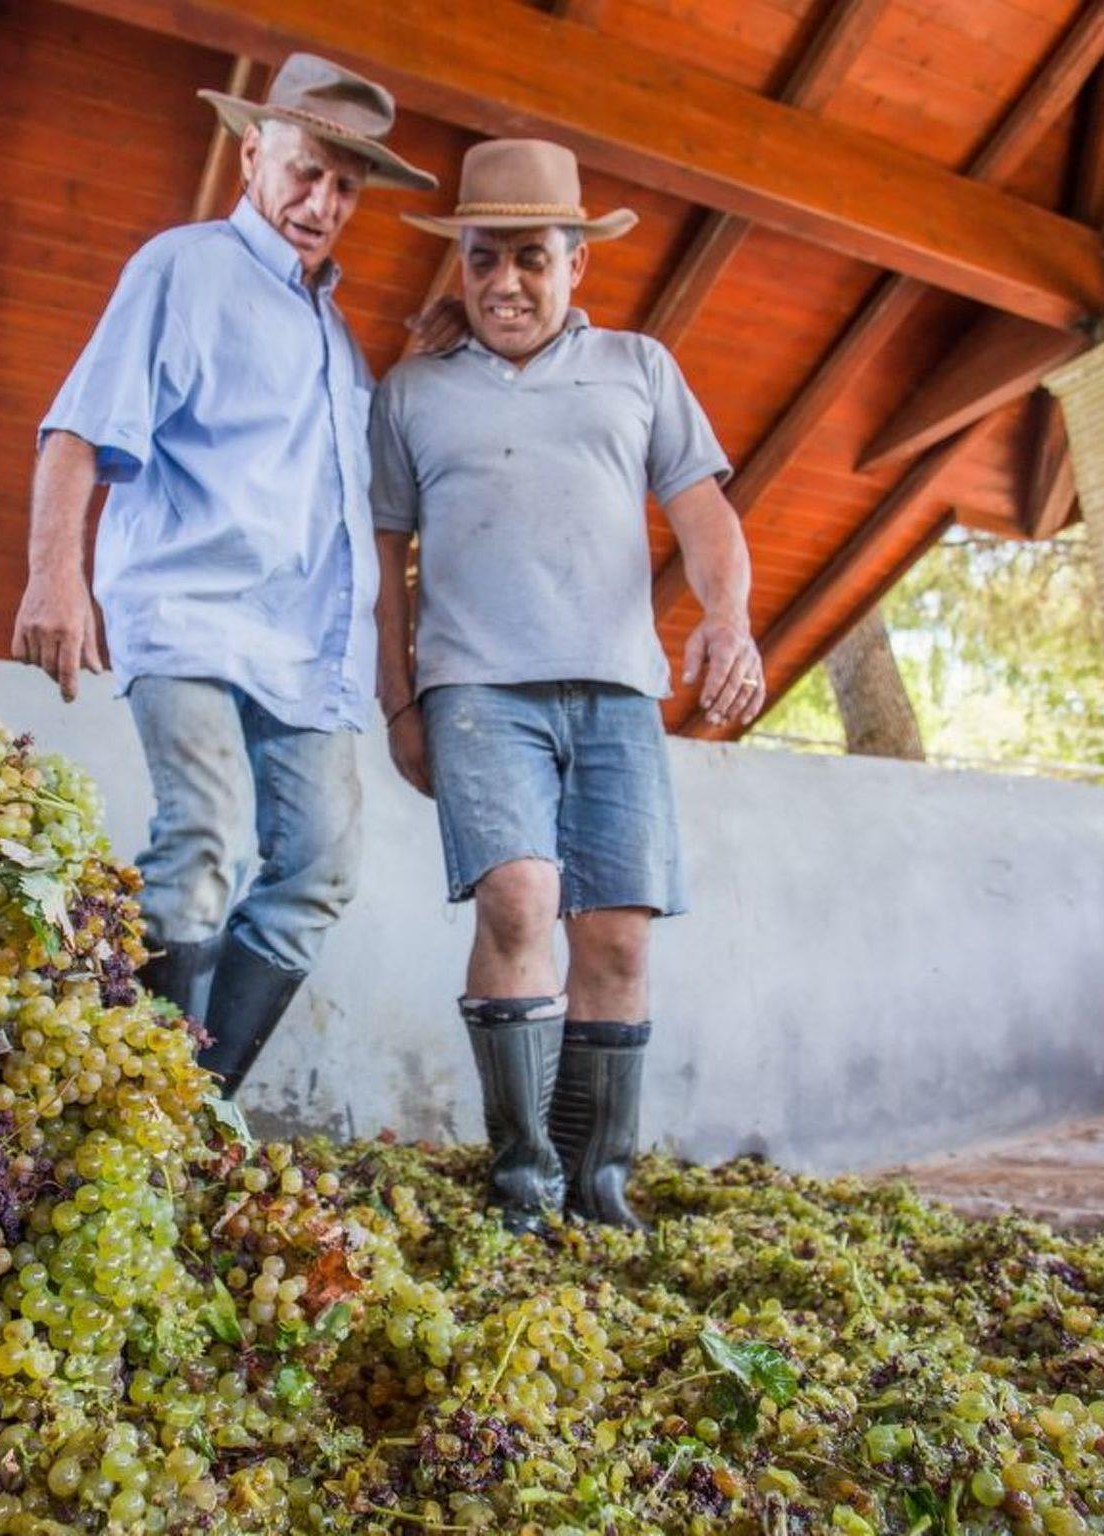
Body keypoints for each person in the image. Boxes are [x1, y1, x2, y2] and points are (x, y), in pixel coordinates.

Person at [12, 55, 436, 1095]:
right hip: (191, 613)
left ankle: (193, 1114)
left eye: (345, 187)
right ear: (252, 154)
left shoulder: (339, 339)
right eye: (305, 171)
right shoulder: (183, 268)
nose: (321, 203)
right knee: (202, 842)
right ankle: (125, 1108)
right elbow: (78, 428)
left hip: (309, 655)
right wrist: (54, 578)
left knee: (320, 873)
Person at [370, 139, 765, 1230]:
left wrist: (727, 620)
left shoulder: (640, 368)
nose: (505, 282)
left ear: (576, 262)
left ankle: (600, 1188)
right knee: (517, 899)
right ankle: (522, 1186)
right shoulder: (408, 392)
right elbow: (384, 559)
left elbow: (702, 512)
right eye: (483, 258)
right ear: (458, 263)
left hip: (617, 692)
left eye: (531, 258)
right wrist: (398, 699)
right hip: (475, 692)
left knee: (619, 935)